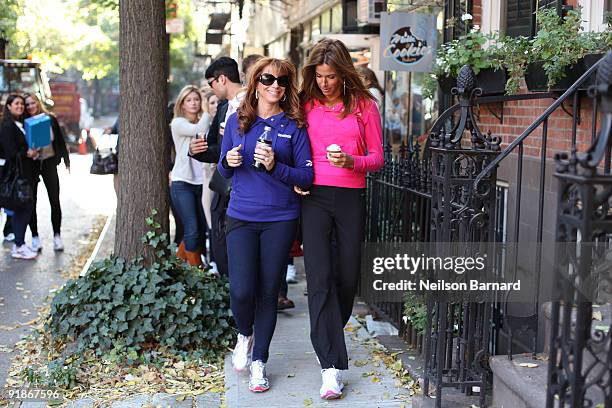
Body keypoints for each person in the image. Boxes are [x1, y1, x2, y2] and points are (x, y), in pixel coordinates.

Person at [296, 38, 384, 400]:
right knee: (320, 278)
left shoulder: (364, 106)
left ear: (344, 73)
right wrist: (297, 178)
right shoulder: (306, 105)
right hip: (314, 197)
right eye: (319, 76)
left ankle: (330, 329)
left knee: (346, 278)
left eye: (331, 76)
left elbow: (378, 157)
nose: (325, 83)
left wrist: (353, 162)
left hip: (350, 196)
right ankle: (330, 367)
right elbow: (294, 147)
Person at [219, 57, 313, 393]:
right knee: (241, 290)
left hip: (280, 219)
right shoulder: (238, 120)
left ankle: (260, 362)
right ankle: (244, 333)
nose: (276, 85)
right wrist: (228, 161)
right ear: (256, 82)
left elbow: (306, 175)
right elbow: (224, 169)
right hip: (242, 215)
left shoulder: (294, 126)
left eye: (283, 81)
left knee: (267, 293)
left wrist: (276, 166)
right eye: (269, 79)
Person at [189, 56, 245, 276]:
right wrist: (196, 151)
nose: (210, 88)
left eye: (211, 83)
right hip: (223, 185)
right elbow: (215, 148)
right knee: (219, 239)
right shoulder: (223, 107)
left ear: (222, 79)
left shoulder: (254, 102)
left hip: (248, 184)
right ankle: (227, 285)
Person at [24, 93, 70, 252]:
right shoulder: (24, 123)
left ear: (38, 102)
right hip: (32, 165)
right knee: (31, 202)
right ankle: (35, 237)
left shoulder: (50, 118)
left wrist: (65, 160)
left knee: (54, 200)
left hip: (49, 163)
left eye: (32, 103)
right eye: (27, 104)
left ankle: (57, 236)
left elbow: (60, 140)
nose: (30, 106)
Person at [170, 85, 211, 266]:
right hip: (183, 183)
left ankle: (178, 262)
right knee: (192, 229)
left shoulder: (203, 121)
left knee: (201, 230)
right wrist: (209, 112)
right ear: (182, 104)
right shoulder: (178, 123)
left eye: (196, 99)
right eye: (189, 100)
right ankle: (196, 271)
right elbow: (199, 129)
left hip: (203, 183)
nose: (194, 103)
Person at [0, 94, 40, 259]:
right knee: (22, 207)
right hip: (11, 174)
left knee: (22, 207)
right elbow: (11, 152)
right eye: (16, 104)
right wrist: (27, 153)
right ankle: (19, 245)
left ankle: (19, 245)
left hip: (22, 172)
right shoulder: (7, 126)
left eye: (22, 104)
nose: (20, 106)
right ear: (8, 106)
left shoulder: (20, 124)